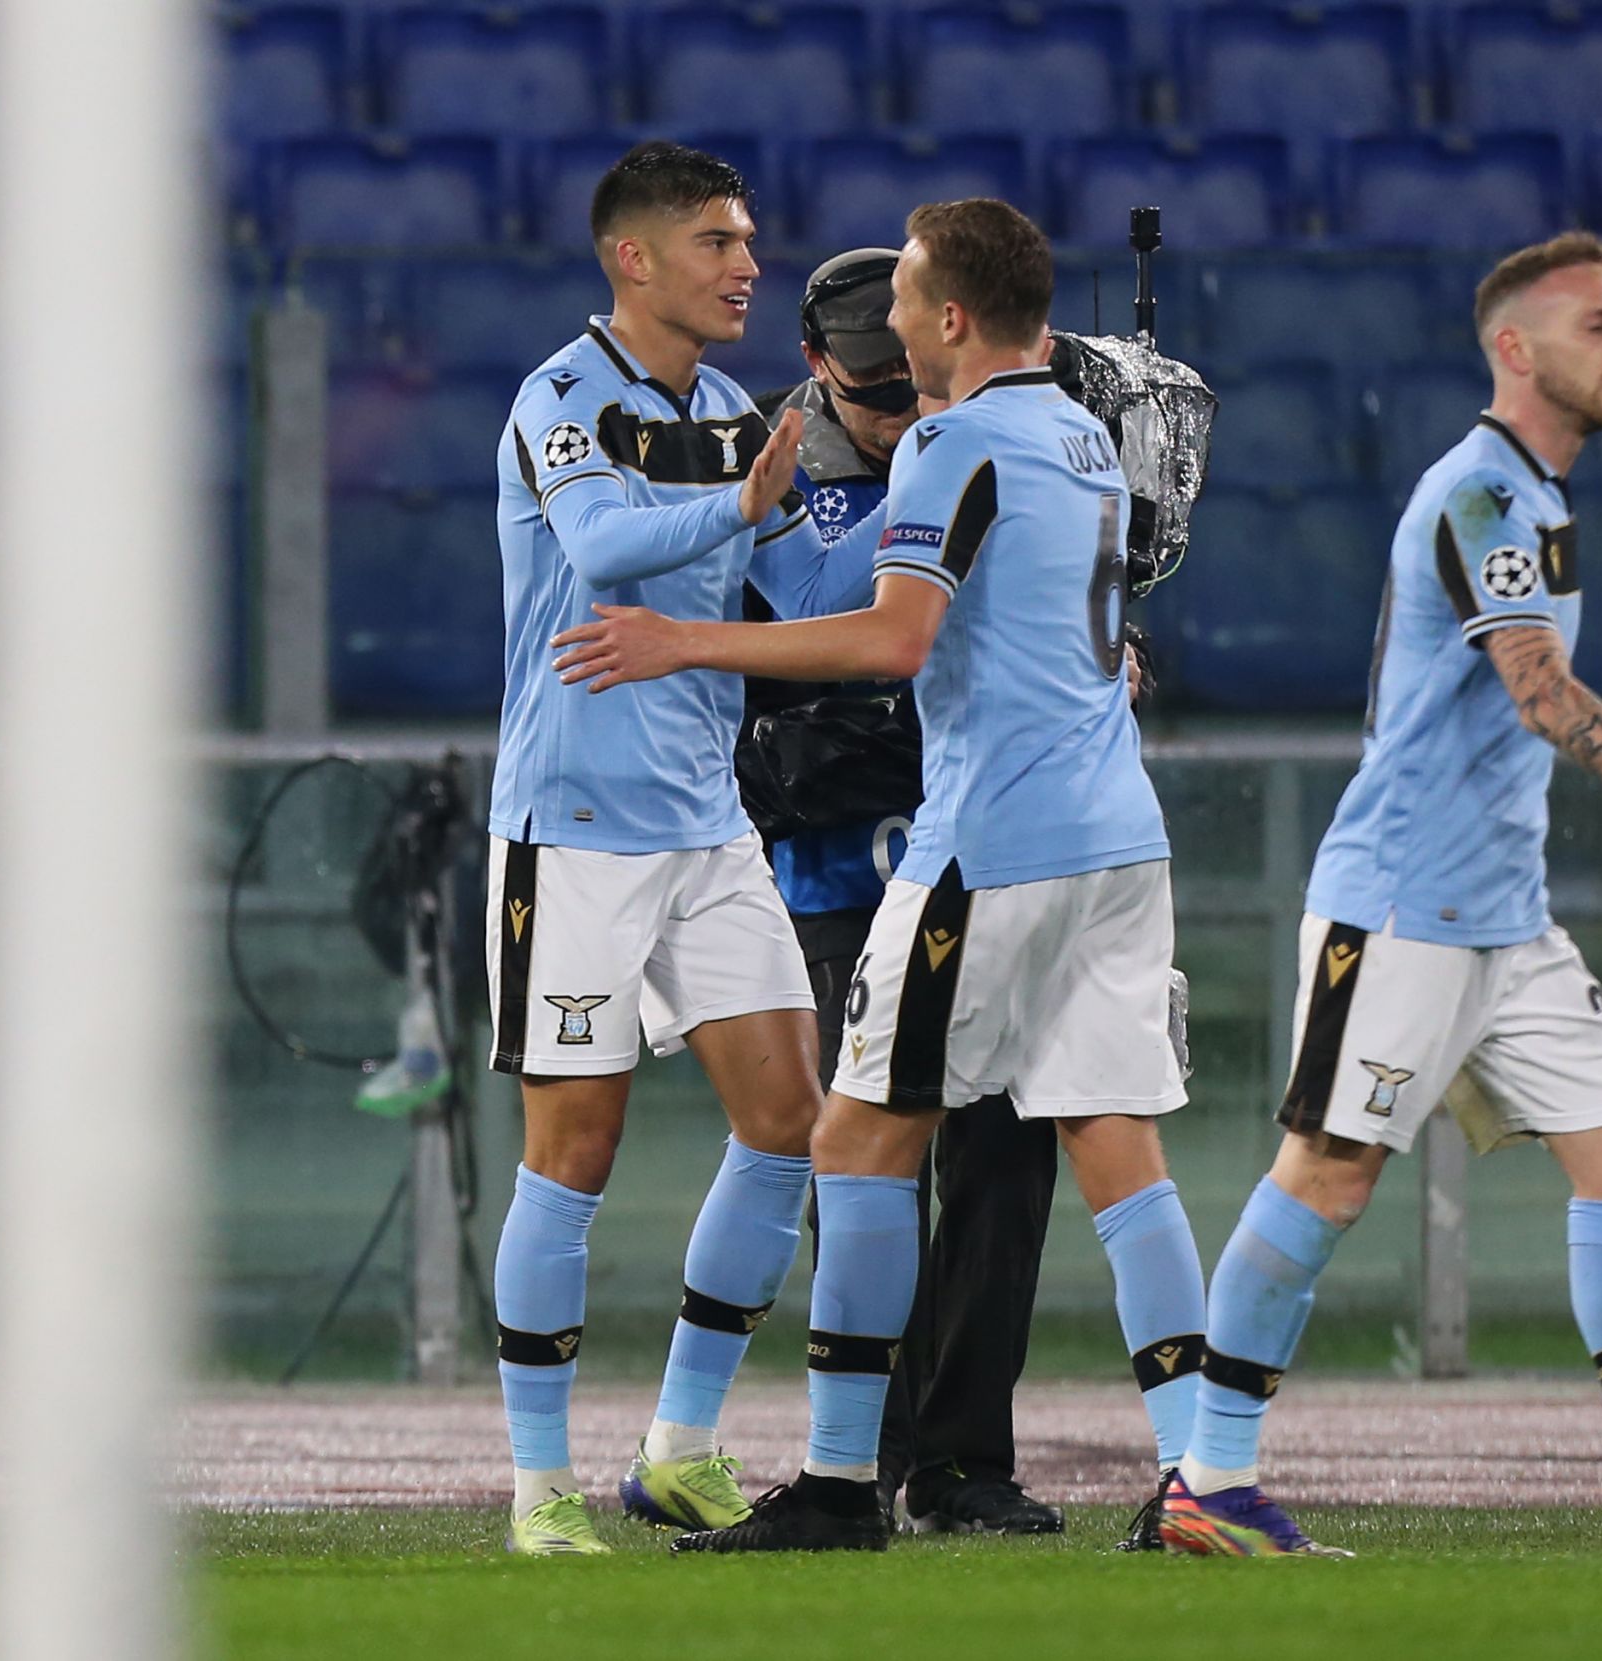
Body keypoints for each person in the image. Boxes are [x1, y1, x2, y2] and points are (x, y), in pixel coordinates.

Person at [1155, 232, 1602, 1560]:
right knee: (1327, 1181)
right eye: (1598, 323)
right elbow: (1534, 689)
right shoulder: (1478, 497)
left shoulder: (1540, 500)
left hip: (1504, 919)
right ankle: (1209, 1481)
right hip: (1399, 909)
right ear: (1516, 349)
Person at [553, 198, 1209, 1556]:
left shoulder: (950, 443)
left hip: (989, 847)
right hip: (1117, 836)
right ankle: (1216, 1478)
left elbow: (894, 642)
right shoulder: (1085, 436)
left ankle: (845, 1484)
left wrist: (685, 644)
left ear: (955, 317)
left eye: (909, 297)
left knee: (852, 1139)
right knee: (1117, 1149)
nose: (894, 322)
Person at [485, 141, 875, 1557]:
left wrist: (934, 491)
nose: (749, 266)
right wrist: (745, 500)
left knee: (791, 1123)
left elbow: (813, 587)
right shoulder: (564, 396)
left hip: (710, 826)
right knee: (572, 1151)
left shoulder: (730, 409)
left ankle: (680, 1446)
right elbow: (598, 547)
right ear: (633, 257)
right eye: (719, 241)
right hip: (573, 829)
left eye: (751, 240)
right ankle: (539, 1489)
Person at [747, 250, 1067, 1537]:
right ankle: (870, 1448)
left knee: (1005, 1146)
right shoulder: (775, 489)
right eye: (873, 397)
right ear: (819, 373)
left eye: (909, 390)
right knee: (870, 1160)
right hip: (840, 872)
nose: (896, 414)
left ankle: (960, 1456)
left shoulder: (983, 455)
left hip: (978, 853)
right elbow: (795, 666)